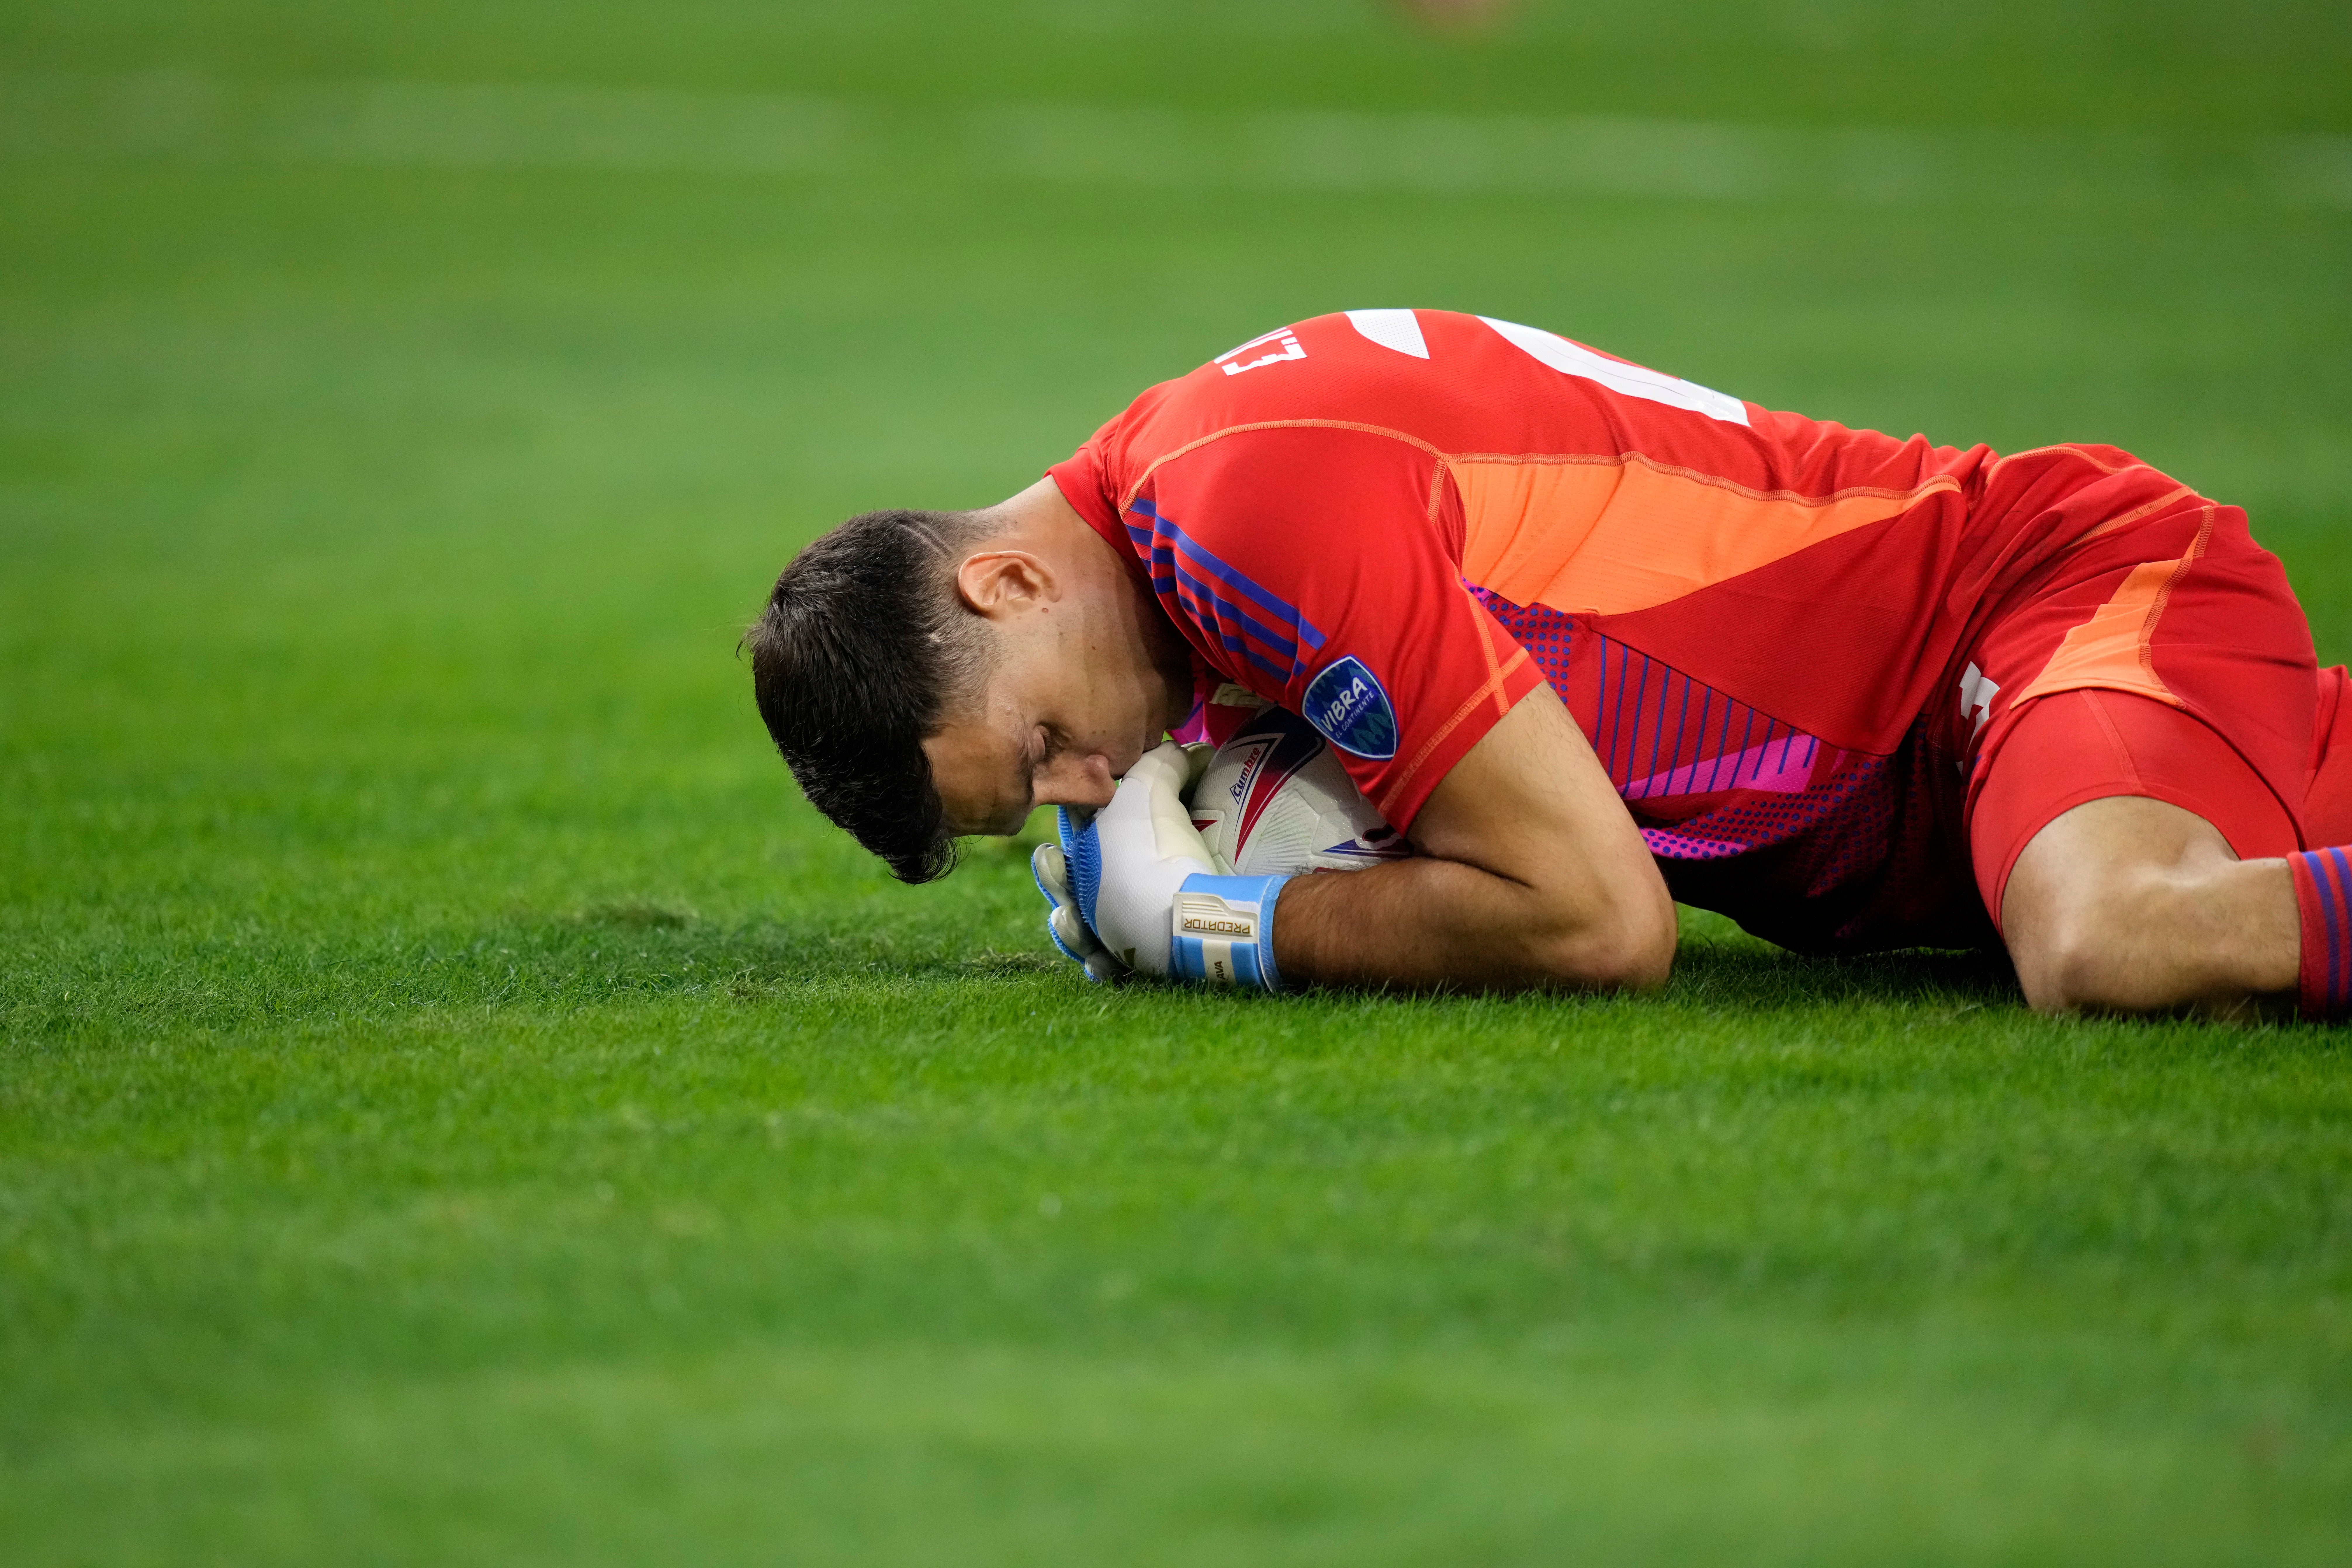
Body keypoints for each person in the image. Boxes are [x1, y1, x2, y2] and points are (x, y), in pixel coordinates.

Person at [746, 309, 2352, 1018]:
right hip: (1941, 787)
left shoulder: (1246, 508)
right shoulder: (1194, 526)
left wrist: (1215, 924)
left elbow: (1596, 922)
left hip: (2036, 608)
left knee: (2117, 948)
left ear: (1013, 576)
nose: (1094, 789)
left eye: (1042, 753)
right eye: (1043, 804)